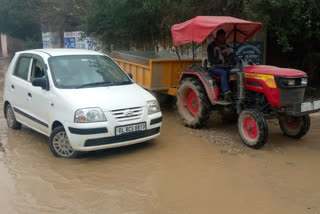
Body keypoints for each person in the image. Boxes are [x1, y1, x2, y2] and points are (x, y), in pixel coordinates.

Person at [207, 29, 232, 95]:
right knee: (223, 72)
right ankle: (225, 91)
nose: (222, 38)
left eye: (223, 36)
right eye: (221, 36)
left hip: (224, 66)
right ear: (217, 36)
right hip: (213, 67)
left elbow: (230, 56)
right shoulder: (211, 46)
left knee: (233, 71)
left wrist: (230, 58)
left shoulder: (227, 46)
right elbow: (210, 59)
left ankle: (233, 89)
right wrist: (220, 61)